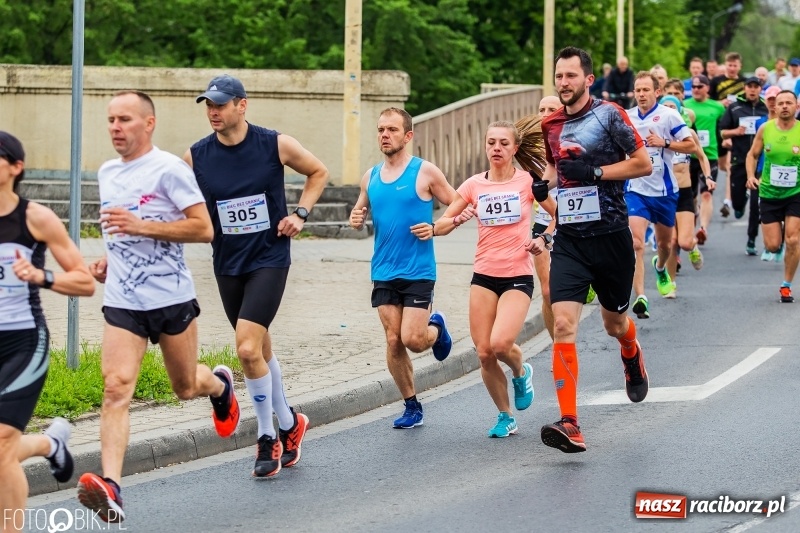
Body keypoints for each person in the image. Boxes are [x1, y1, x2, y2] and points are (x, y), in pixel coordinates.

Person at [76, 91, 239, 523]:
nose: (115, 127)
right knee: (115, 388)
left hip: (170, 298)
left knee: (185, 387)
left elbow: (204, 229)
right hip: (124, 300)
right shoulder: (107, 172)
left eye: (125, 119)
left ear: (148, 124)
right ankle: (111, 487)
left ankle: (221, 387)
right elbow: (120, 227)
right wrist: (110, 258)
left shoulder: (169, 169)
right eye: (110, 120)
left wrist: (142, 226)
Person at [185, 75, 326, 477]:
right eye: (208, 105)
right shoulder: (196, 156)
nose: (213, 111)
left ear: (241, 105)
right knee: (260, 349)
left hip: (269, 257)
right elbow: (172, 195)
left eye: (221, 104)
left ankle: (268, 438)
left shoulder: (273, 144)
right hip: (228, 262)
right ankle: (290, 423)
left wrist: (300, 214)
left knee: (246, 349)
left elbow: (318, 172)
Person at [536, 47, 652, 453]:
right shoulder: (549, 124)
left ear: (588, 80)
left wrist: (598, 172)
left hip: (611, 236)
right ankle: (571, 422)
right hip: (570, 239)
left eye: (570, 76)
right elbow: (554, 169)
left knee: (614, 325)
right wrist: (543, 185)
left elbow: (642, 164)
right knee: (564, 324)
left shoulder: (610, 116)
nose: (563, 83)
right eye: (558, 76)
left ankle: (631, 352)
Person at [0, 131, 95, 533]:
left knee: (1, 441)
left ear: (15, 168)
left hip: (23, 342)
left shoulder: (33, 217)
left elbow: (85, 281)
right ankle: (49, 444)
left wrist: (40, 275)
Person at [349, 107, 455, 429]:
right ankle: (412, 405)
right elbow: (360, 208)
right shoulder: (370, 177)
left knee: (413, 339)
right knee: (393, 339)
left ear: (407, 136)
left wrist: (436, 228)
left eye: (392, 130)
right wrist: (356, 217)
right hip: (382, 270)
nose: (385, 135)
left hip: (419, 269)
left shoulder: (425, 172)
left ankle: (436, 330)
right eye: (381, 129)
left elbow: (458, 203)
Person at [432, 121, 538, 438]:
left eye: (503, 143)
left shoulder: (527, 182)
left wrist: (543, 240)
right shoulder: (474, 185)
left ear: (515, 148)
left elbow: (557, 214)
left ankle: (521, 370)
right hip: (484, 275)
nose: (496, 148)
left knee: (501, 343)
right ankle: (505, 415)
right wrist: (453, 220)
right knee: (483, 352)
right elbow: (442, 223)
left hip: (518, 274)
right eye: (491, 142)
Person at [625, 72, 694, 319]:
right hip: (636, 190)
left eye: (646, 89)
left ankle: (661, 267)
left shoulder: (669, 116)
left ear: (657, 92)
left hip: (665, 191)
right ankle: (641, 296)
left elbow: (691, 146)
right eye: (638, 90)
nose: (641, 94)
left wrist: (664, 143)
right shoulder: (627, 117)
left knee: (665, 244)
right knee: (636, 243)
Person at [746, 90, 800, 303]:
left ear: (796, 106)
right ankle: (783, 238)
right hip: (769, 193)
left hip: (796, 192)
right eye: (781, 103)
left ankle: (786, 285)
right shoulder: (765, 129)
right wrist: (751, 175)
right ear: (774, 107)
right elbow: (752, 154)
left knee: (793, 239)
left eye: (789, 102)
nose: (785, 106)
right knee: (772, 245)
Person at [658, 83, 712, 286]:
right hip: (664, 193)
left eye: (674, 107)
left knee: (685, 242)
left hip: (684, 192)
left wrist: (707, 177)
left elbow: (703, 157)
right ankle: (670, 283)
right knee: (671, 242)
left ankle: (694, 247)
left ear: (680, 111)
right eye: (666, 107)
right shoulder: (655, 135)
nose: (670, 111)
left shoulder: (688, 134)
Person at [720, 77, 769, 254]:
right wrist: (736, 132)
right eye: (749, 87)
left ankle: (751, 240)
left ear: (760, 89)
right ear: (745, 88)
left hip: (760, 161)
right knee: (738, 202)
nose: (752, 90)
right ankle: (739, 206)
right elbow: (722, 132)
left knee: (757, 205)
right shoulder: (735, 107)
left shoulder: (766, 108)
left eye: (756, 87)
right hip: (740, 159)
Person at [684, 74, 724, 244]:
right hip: (688, 157)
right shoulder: (684, 106)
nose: (696, 90)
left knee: (706, 194)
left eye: (700, 86)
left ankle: (703, 228)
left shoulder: (717, 107)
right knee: (692, 198)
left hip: (709, 155)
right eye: (693, 87)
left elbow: (725, 126)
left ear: (707, 88)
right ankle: (691, 227)